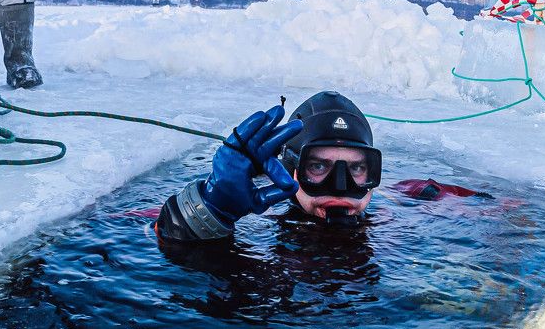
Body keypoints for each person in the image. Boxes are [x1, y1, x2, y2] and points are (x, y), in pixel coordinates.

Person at [156, 91, 383, 242]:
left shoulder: (401, 208)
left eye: (356, 169)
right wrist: (208, 212)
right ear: (289, 167)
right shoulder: (257, 216)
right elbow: (142, 228)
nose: (339, 186)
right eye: (318, 166)